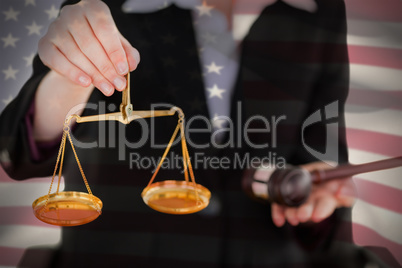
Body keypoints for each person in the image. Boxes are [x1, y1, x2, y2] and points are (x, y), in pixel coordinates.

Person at [0, 0, 392, 267]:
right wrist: (71, 75)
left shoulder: (316, 12)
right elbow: (23, 150)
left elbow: (324, 162)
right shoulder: (106, 7)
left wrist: (313, 199)